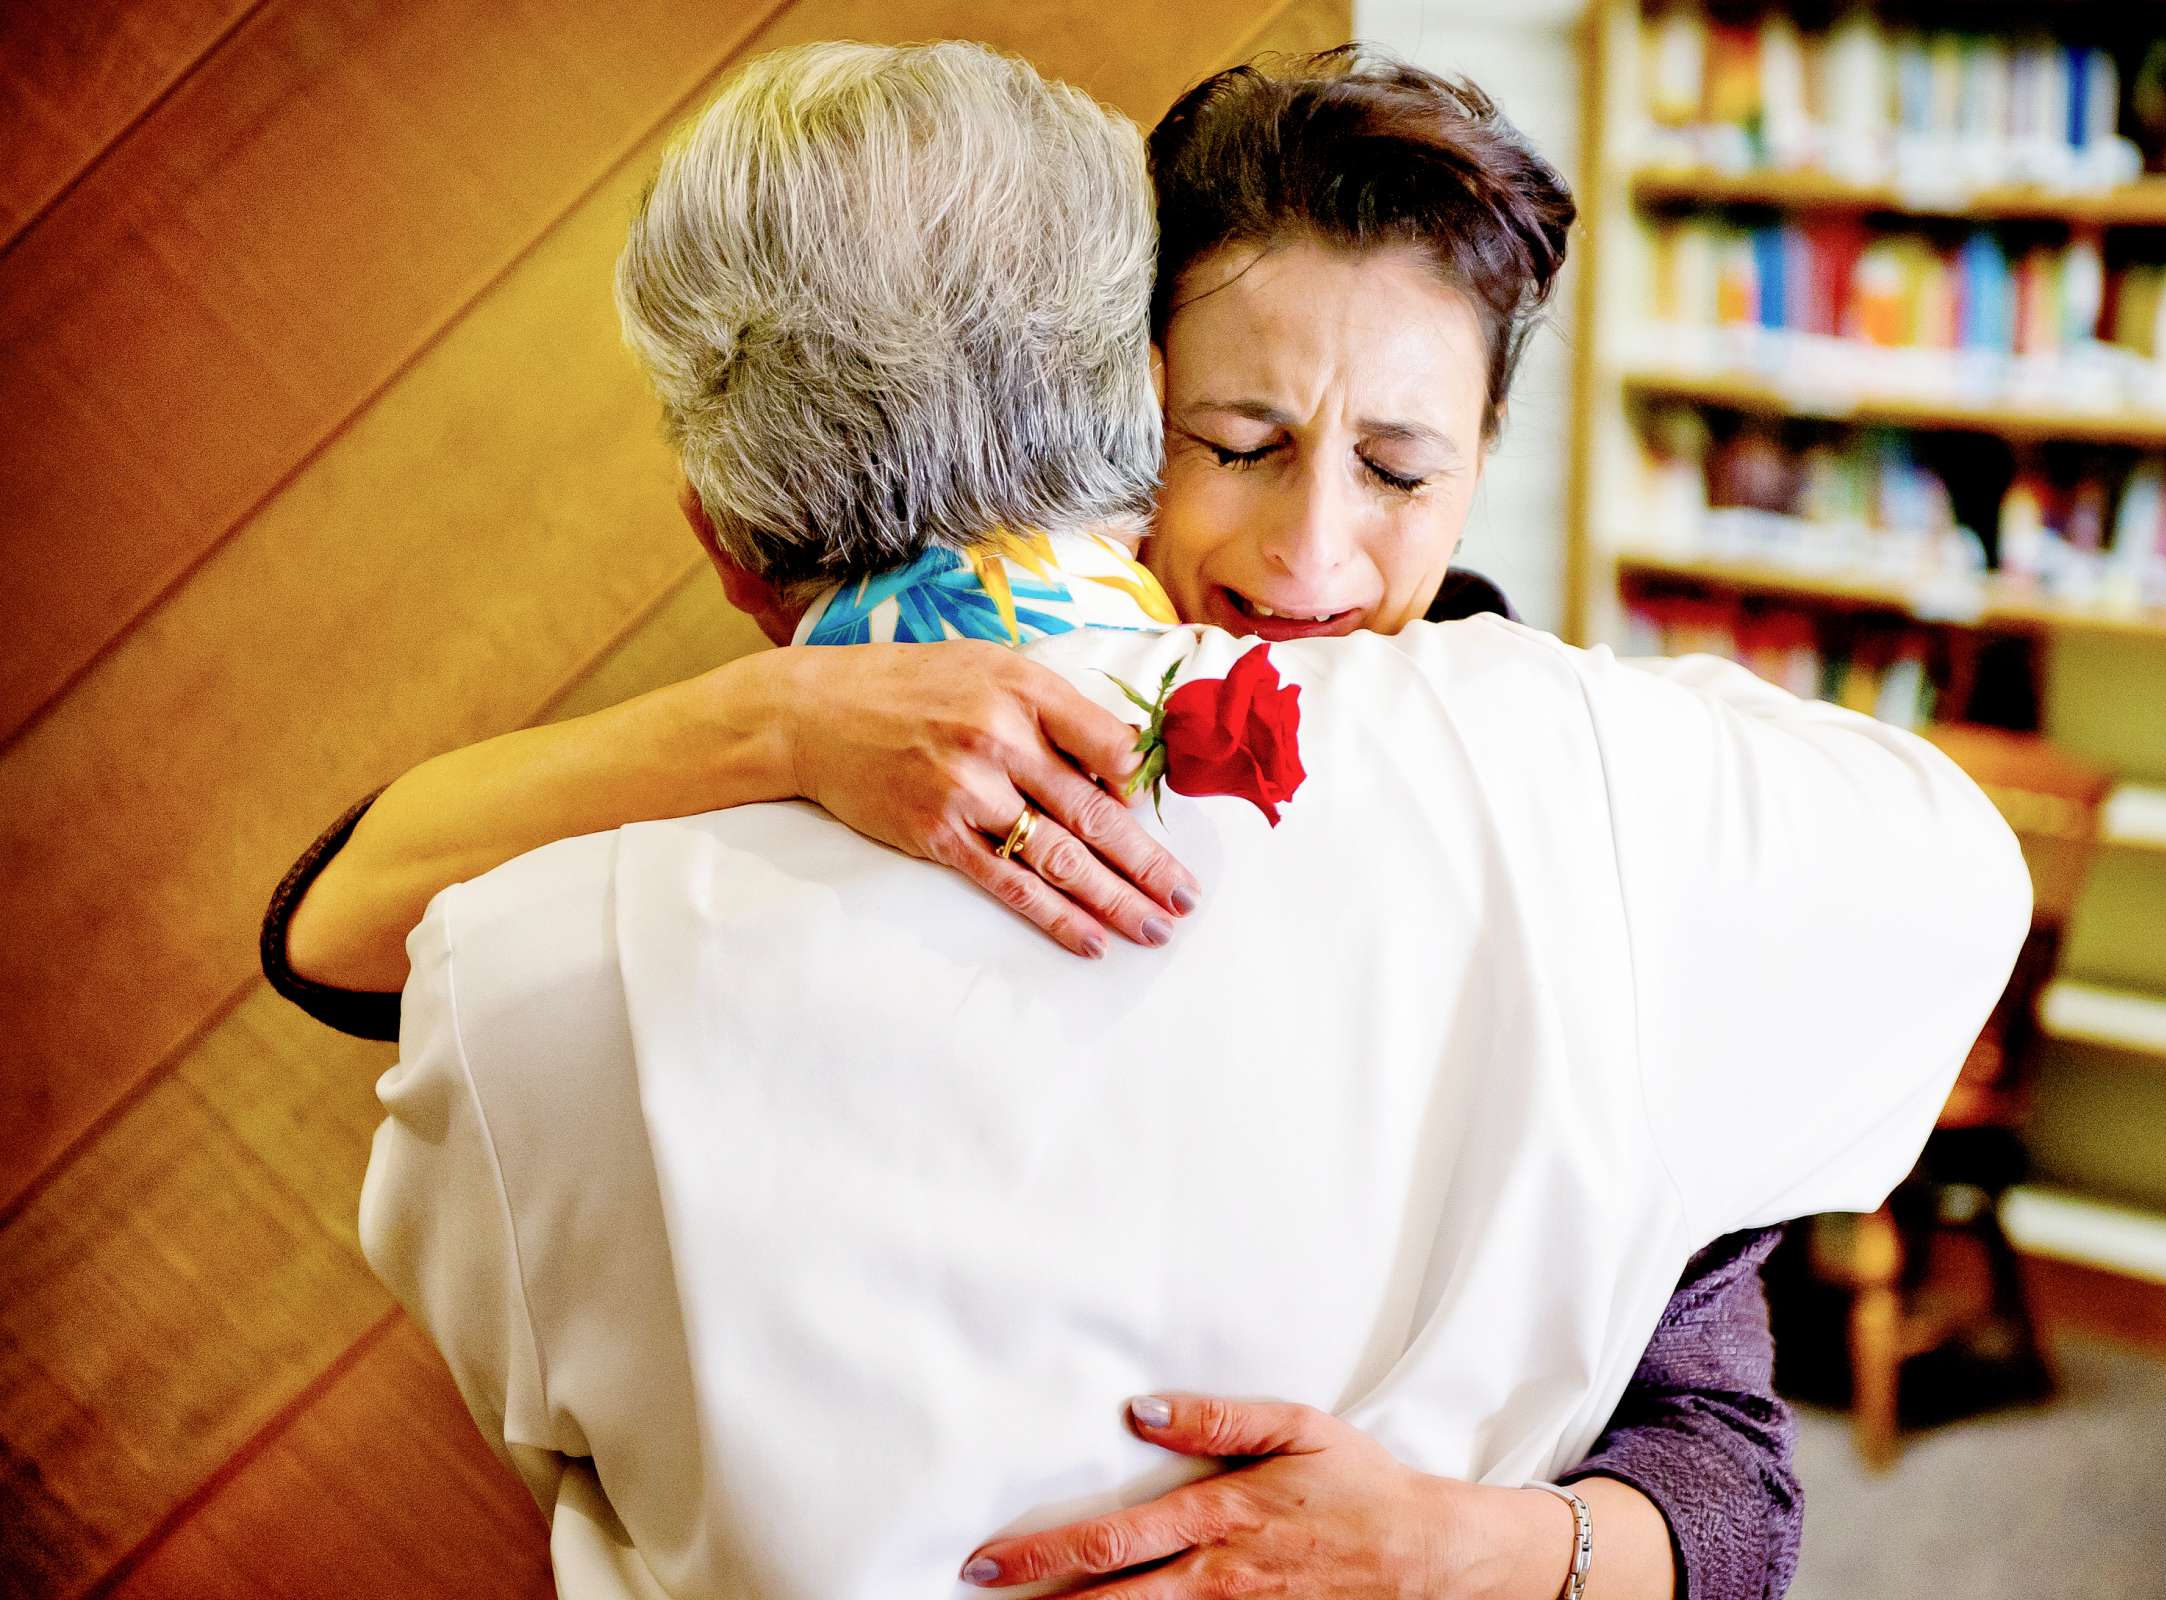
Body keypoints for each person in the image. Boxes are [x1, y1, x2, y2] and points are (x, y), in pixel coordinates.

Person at [263, 44, 1995, 1600]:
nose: (1310, 565)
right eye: (1230, 441)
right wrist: (779, 716)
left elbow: (1733, 1478)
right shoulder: (808, 758)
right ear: (1104, 407)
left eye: (1400, 470)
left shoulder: (1559, 775)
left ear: (1482, 454)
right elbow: (337, 935)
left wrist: (1469, 1551)